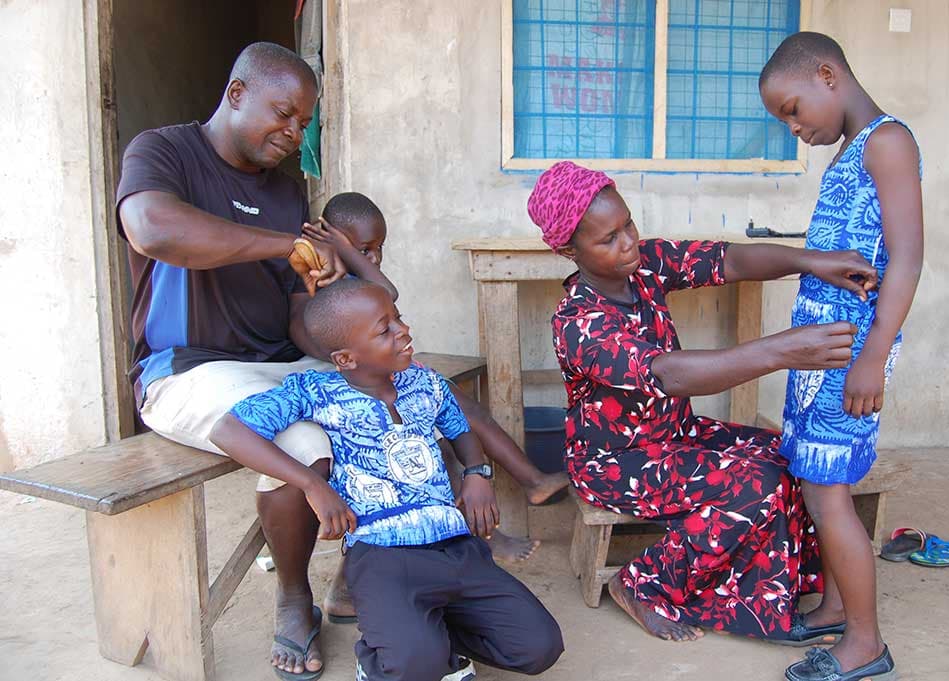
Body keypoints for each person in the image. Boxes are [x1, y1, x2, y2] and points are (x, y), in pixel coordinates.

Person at [116, 42, 564, 679]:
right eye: (284, 114)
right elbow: (156, 229)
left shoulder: (286, 190)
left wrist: (339, 339)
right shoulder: (163, 152)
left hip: (280, 362)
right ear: (237, 94)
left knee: (401, 393)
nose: (294, 133)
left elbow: (298, 313)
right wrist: (287, 243)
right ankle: (295, 597)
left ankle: (382, 580)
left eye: (304, 122)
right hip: (188, 369)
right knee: (304, 442)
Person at [527, 160, 878, 645]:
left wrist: (813, 260)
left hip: (675, 437)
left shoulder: (644, 266)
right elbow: (668, 375)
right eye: (607, 239)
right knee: (757, 482)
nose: (627, 241)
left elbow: (729, 260)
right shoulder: (579, 321)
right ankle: (642, 583)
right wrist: (782, 350)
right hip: (615, 463)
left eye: (627, 223)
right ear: (569, 249)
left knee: (789, 454)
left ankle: (782, 587)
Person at [210, 278, 564, 681]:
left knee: (539, 647)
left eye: (399, 319)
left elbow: (459, 425)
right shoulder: (316, 391)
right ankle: (379, 658)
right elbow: (229, 430)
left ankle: (433, 635)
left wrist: (476, 472)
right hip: (383, 556)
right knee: (416, 666)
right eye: (384, 329)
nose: (403, 331)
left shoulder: (424, 381)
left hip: (456, 547)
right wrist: (313, 484)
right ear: (345, 358)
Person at [760, 32, 922, 681]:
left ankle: (864, 643)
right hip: (818, 354)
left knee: (829, 493)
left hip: (849, 353)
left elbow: (907, 257)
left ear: (828, 75)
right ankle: (834, 605)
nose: (795, 128)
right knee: (816, 479)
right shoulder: (853, 150)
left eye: (794, 110)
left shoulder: (888, 141)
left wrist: (872, 356)